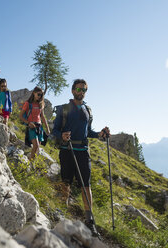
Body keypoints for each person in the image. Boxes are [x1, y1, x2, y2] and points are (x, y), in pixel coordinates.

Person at [52, 79, 110, 237]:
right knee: (66, 182)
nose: (81, 92)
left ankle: (90, 221)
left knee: (86, 185)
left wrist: (100, 134)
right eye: (78, 89)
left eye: (84, 89)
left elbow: (88, 132)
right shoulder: (64, 109)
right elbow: (54, 130)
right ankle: (62, 213)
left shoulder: (88, 110)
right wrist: (61, 135)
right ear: (72, 90)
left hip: (83, 152)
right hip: (67, 150)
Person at [19, 87, 50, 160]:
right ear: (34, 93)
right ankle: (30, 162)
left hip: (39, 127)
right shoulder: (28, 103)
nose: (40, 96)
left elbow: (42, 116)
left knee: (38, 147)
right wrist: (28, 123)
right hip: (31, 126)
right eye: (38, 94)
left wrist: (47, 128)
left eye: (41, 95)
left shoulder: (41, 104)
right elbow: (20, 116)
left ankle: (33, 162)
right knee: (35, 145)